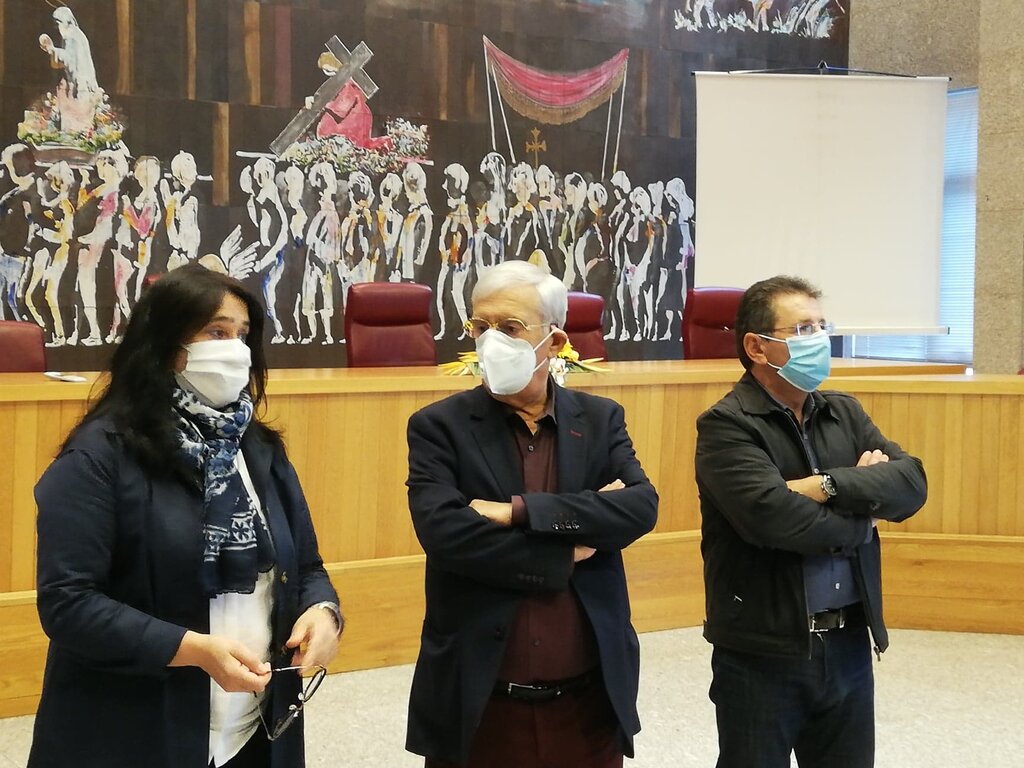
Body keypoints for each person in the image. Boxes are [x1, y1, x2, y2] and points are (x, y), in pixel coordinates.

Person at [30, 263, 342, 768]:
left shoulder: (259, 448)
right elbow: (69, 604)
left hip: (256, 728)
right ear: (165, 344)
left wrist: (325, 613)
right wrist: (192, 648)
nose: (235, 349)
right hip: (135, 731)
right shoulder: (99, 456)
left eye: (243, 335)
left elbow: (307, 567)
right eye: (216, 332)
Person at [405, 260, 659, 767]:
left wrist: (519, 512)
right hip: (482, 701)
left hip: (587, 704)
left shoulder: (601, 419)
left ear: (556, 341)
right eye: (480, 326)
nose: (490, 341)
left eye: (510, 327)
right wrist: (566, 552)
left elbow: (639, 506)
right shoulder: (439, 426)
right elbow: (446, 533)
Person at [694, 275, 928, 768]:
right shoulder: (727, 425)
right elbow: (774, 520)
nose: (819, 339)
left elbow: (911, 485)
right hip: (764, 650)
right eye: (803, 329)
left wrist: (826, 485)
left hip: (849, 642)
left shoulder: (843, 412)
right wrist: (863, 516)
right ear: (757, 347)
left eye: (822, 326)